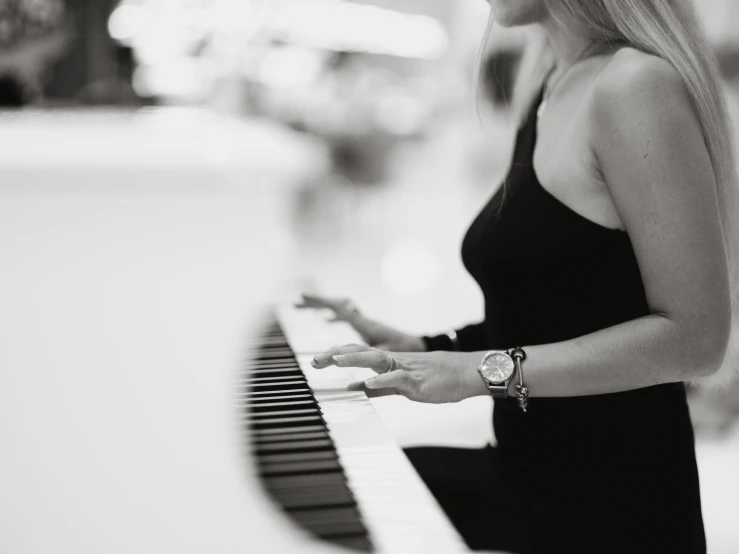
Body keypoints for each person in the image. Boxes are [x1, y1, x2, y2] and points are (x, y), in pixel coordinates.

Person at [298, 1, 739, 552]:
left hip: (609, 520)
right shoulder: (552, 81)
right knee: (330, 497)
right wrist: (428, 347)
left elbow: (696, 340)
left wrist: (481, 372)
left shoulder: (634, 86)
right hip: (521, 482)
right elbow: (563, 304)